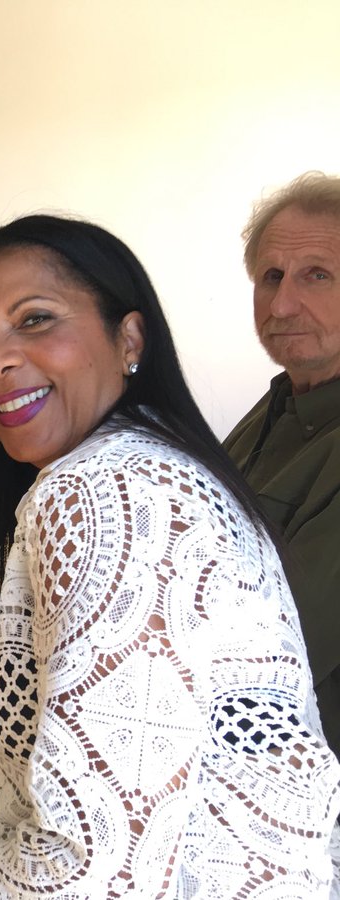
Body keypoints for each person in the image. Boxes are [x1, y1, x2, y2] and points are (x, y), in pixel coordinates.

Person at [0, 214, 340, 899]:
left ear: (129, 339)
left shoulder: (105, 492)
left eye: (36, 319)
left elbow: (96, 877)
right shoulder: (154, 444)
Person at [225, 171, 340, 759]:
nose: (282, 304)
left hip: (280, 744)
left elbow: (281, 651)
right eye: (271, 277)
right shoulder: (277, 405)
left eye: (317, 274)